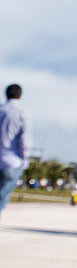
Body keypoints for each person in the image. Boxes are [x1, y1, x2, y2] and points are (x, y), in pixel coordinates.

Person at [0, 84, 28, 216]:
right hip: (12, 161)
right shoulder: (22, 113)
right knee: (2, 197)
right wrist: (24, 160)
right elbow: (23, 140)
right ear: (20, 95)